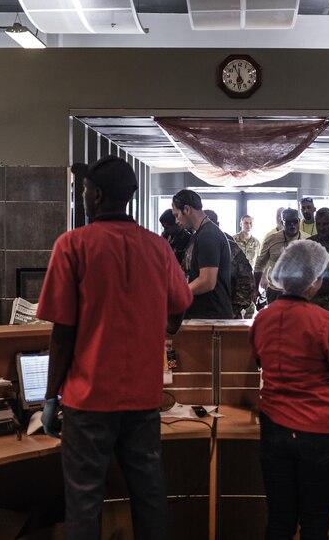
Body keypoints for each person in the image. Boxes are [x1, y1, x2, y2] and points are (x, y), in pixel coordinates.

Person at [36, 155, 191, 540]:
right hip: (142, 400)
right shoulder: (158, 247)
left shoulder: (72, 245)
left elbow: (62, 332)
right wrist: (156, 325)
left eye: (85, 189)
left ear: (96, 194)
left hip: (88, 402)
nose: (84, 195)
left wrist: (51, 395)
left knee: (85, 501)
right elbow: (179, 309)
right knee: (150, 497)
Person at [249, 239, 329, 540]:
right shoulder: (326, 322)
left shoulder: (262, 318)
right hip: (317, 433)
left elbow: (260, 361)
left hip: (273, 429)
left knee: (279, 521)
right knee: (314, 525)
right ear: (313, 283)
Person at [172, 189, 232, 319]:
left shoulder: (208, 236)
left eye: (177, 215)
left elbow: (207, 281)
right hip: (202, 314)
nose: (177, 221)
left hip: (211, 316)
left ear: (187, 209)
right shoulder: (198, 235)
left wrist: (177, 293)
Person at [255, 208, 310, 305]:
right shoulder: (271, 239)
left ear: (299, 221)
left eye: (295, 221)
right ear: (282, 222)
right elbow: (259, 265)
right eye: (288, 222)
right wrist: (255, 289)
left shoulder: (308, 240)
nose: (292, 225)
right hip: (275, 292)